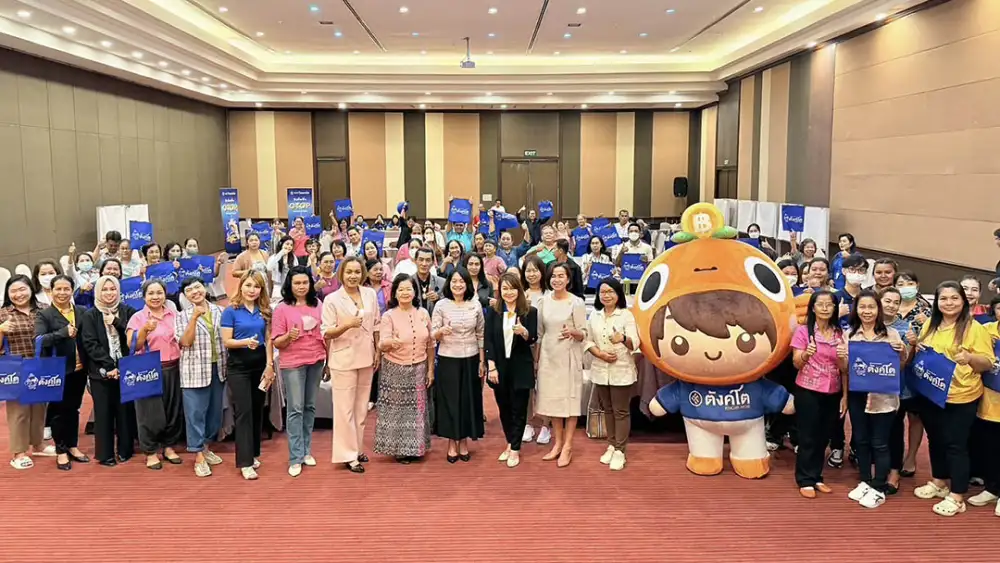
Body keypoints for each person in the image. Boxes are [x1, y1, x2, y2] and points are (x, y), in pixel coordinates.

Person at [912, 281, 995, 517]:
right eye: (944, 299)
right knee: (935, 439)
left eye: (954, 298)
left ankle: (958, 495)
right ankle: (939, 481)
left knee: (955, 445)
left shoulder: (974, 328)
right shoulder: (930, 323)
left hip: (961, 395)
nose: (949, 303)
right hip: (931, 392)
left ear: (963, 300)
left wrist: (969, 358)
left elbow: (988, 362)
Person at [845, 290, 907, 508]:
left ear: (878, 309)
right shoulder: (850, 335)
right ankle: (865, 480)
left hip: (884, 398)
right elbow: (844, 369)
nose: (867, 311)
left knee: (880, 443)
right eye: (862, 307)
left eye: (871, 307)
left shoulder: (892, 334)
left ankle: (879, 486)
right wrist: (841, 357)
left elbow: (899, 367)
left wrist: (902, 352)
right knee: (861, 440)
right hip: (858, 395)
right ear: (856, 309)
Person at [322, 257, 380, 474]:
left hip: (366, 355)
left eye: (357, 272)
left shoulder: (370, 294)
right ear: (342, 274)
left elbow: (376, 324)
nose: (353, 276)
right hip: (343, 359)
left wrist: (378, 350)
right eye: (349, 272)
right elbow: (327, 332)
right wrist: (346, 325)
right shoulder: (332, 299)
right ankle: (347, 455)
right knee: (344, 409)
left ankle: (357, 447)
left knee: (361, 407)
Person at [221, 270, 276, 480]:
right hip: (239, 365)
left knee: (256, 410)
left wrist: (269, 365)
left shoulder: (265, 311)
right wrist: (245, 342)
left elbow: (269, 339)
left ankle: (252, 454)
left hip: (260, 362)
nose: (252, 290)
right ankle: (244, 462)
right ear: (241, 286)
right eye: (248, 285)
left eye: (256, 286)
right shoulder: (231, 311)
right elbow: (227, 341)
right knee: (243, 411)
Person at [374, 274, 435, 463]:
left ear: (415, 292)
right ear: (395, 293)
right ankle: (399, 449)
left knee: (417, 409)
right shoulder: (388, 316)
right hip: (395, 368)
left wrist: (430, 369)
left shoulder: (423, 313)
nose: (405, 293)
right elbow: (382, 343)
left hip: (419, 367)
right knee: (398, 411)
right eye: (401, 289)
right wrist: (391, 342)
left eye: (409, 289)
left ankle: (417, 447)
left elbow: (430, 343)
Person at [792, 289, 847, 498]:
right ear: (813, 307)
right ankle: (804, 479)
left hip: (833, 390)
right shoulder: (803, 331)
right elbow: (796, 363)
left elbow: (844, 369)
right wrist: (807, 354)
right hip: (808, 390)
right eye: (820, 304)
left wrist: (845, 396)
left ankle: (816, 476)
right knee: (808, 436)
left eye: (829, 304)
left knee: (824, 436)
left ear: (835, 308)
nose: (825, 308)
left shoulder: (839, 333)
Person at [272, 266, 326, 478]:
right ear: (290, 285)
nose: (301, 287)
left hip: (316, 359)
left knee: (310, 406)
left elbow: (325, 333)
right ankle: (295, 456)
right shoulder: (282, 308)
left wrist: (327, 360)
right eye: (297, 283)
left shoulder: (317, 304)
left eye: (305, 282)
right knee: (295, 408)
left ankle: (306, 450)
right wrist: (289, 336)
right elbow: (277, 341)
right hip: (293, 363)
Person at [126, 280, 184, 470]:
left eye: (159, 293)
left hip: (173, 367)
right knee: (149, 414)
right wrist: (144, 330)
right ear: (144, 296)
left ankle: (168, 446)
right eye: (151, 293)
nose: (156, 297)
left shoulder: (174, 314)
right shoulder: (137, 318)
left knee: (172, 410)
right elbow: (133, 346)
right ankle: (150, 451)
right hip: (148, 370)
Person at [535, 262, 587, 467]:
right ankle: (557, 443)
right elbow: (540, 334)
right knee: (553, 401)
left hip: (569, 356)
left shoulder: (576, 302)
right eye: (553, 276)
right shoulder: (543, 301)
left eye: (561, 276)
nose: (556, 280)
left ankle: (568, 446)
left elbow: (584, 333)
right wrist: (537, 360)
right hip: (549, 357)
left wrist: (573, 332)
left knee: (570, 403)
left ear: (568, 279)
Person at [431, 267, 486, 463]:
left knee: (467, 401)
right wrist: (441, 332)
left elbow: (481, 334)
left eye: (461, 281)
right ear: (449, 283)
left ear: (467, 284)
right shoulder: (441, 305)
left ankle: (463, 441)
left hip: (471, 357)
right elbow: (432, 334)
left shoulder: (475, 304)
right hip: (448, 358)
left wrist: (482, 361)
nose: (458, 285)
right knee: (450, 401)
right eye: (454, 281)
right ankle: (451, 442)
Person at [80, 275, 136, 466]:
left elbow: (133, 336)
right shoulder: (90, 315)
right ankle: (105, 454)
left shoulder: (127, 311)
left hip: (126, 369)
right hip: (101, 371)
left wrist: (116, 322)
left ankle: (126, 450)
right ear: (98, 291)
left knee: (125, 412)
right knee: (103, 413)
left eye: (113, 289)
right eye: (104, 289)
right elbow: (90, 343)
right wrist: (109, 366)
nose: (109, 293)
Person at [34, 274, 89, 470]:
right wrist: (62, 333)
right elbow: (40, 339)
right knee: (58, 412)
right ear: (51, 291)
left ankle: (73, 446)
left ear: (72, 290)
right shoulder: (45, 315)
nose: (62, 293)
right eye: (58, 289)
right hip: (57, 371)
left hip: (79, 369)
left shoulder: (81, 311)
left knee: (74, 409)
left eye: (67, 289)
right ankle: (61, 450)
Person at [484, 273, 537, 468]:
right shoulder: (494, 312)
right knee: (504, 408)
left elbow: (533, 338)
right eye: (504, 288)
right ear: (499, 291)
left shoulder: (529, 311)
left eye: (512, 288)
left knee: (519, 408)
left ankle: (515, 448)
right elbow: (488, 340)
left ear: (519, 290)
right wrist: (491, 366)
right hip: (499, 367)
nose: (509, 292)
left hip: (521, 367)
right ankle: (509, 442)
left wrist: (524, 332)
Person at [175, 277, 227, 478]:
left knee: (214, 413)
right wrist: (194, 318)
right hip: (194, 371)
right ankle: (198, 456)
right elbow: (185, 342)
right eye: (189, 290)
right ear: (185, 295)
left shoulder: (220, 311)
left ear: (204, 288)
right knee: (195, 414)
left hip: (218, 369)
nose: (195, 292)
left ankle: (206, 447)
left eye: (197, 287)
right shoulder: (181, 316)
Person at [586, 278, 639, 471]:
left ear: (618, 294)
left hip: (621, 370)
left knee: (620, 411)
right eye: (603, 292)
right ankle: (611, 444)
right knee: (607, 409)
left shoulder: (626, 315)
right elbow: (588, 341)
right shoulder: (595, 315)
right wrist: (599, 354)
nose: (606, 295)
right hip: (600, 369)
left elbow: (636, 343)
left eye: (610, 292)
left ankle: (620, 450)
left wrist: (623, 338)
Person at [1, 276, 50, 469]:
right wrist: (1, 330)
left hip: (40, 365)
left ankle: (38, 444)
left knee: (39, 408)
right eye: (13, 291)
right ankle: (18, 453)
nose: (18, 294)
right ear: (8, 294)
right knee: (18, 412)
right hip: (15, 367)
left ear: (30, 289)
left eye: (22, 289)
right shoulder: (3, 313)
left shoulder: (44, 309)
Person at [880, 287, 918, 492]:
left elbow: (906, 363)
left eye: (896, 302)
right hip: (869, 388)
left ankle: (894, 472)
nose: (892, 305)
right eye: (887, 301)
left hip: (897, 388)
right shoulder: (867, 324)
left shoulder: (905, 328)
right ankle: (875, 472)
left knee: (895, 430)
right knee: (875, 432)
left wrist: (910, 347)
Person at [519, 254, 551, 445]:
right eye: (528, 271)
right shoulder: (521, 294)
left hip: (546, 346)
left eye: (535, 270)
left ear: (542, 272)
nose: (531, 274)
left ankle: (546, 425)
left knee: (545, 386)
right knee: (526, 387)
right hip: (525, 347)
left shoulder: (549, 295)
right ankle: (528, 423)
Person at [412, 247, 446, 315]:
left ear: (433, 262)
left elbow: (448, 305)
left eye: (428, 260)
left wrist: (438, 299)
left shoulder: (442, 282)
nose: (424, 264)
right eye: (421, 260)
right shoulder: (408, 282)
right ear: (415, 261)